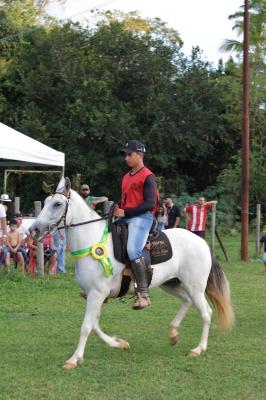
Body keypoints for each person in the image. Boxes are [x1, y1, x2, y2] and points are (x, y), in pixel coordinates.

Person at [114, 139, 158, 310]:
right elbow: (126, 199)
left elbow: (150, 203)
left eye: (129, 154)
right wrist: (117, 207)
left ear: (139, 155)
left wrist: (125, 213)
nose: (126, 158)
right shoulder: (126, 176)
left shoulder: (149, 177)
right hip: (125, 216)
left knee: (133, 249)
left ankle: (144, 294)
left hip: (142, 217)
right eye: (125, 155)